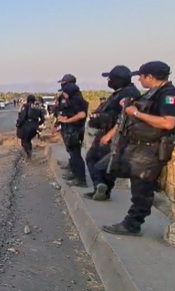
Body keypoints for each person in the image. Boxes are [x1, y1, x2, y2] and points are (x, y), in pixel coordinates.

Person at [98, 61, 175, 236]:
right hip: (138, 147)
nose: (139, 79)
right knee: (110, 168)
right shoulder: (153, 93)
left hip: (152, 149)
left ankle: (132, 224)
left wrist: (136, 113)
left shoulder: (168, 94)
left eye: (141, 76)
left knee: (141, 189)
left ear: (150, 77)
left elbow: (169, 122)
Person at [84, 65, 141, 201]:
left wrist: (110, 134)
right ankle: (100, 186)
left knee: (106, 164)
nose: (108, 81)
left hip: (115, 135)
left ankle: (103, 189)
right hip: (105, 132)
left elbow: (125, 118)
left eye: (110, 79)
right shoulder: (121, 92)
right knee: (93, 158)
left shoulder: (130, 94)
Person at [57, 82, 89, 187]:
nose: (64, 95)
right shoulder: (73, 100)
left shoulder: (77, 101)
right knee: (73, 155)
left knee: (76, 156)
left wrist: (67, 121)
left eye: (65, 92)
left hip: (75, 131)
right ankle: (75, 175)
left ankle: (81, 180)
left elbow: (82, 114)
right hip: (71, 131)